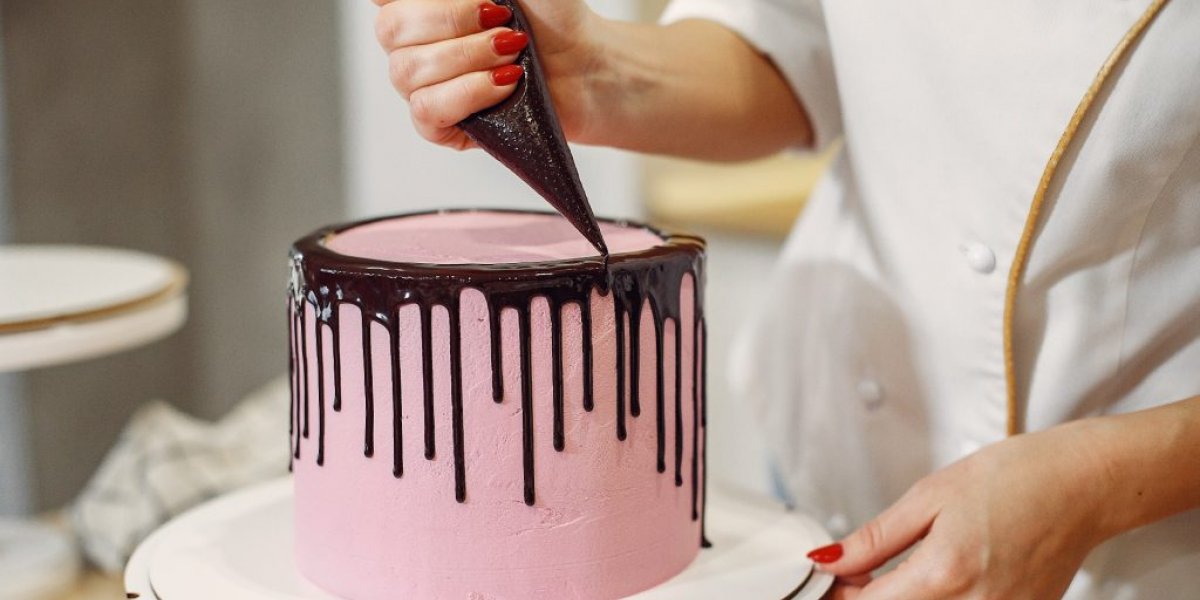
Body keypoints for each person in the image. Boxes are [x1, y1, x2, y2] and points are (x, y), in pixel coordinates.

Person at [369, 0, 1200, 597]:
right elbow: (793, 41)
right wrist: (593, 67)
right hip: (834, 450)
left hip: (1142, 537)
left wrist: (1094, 484)